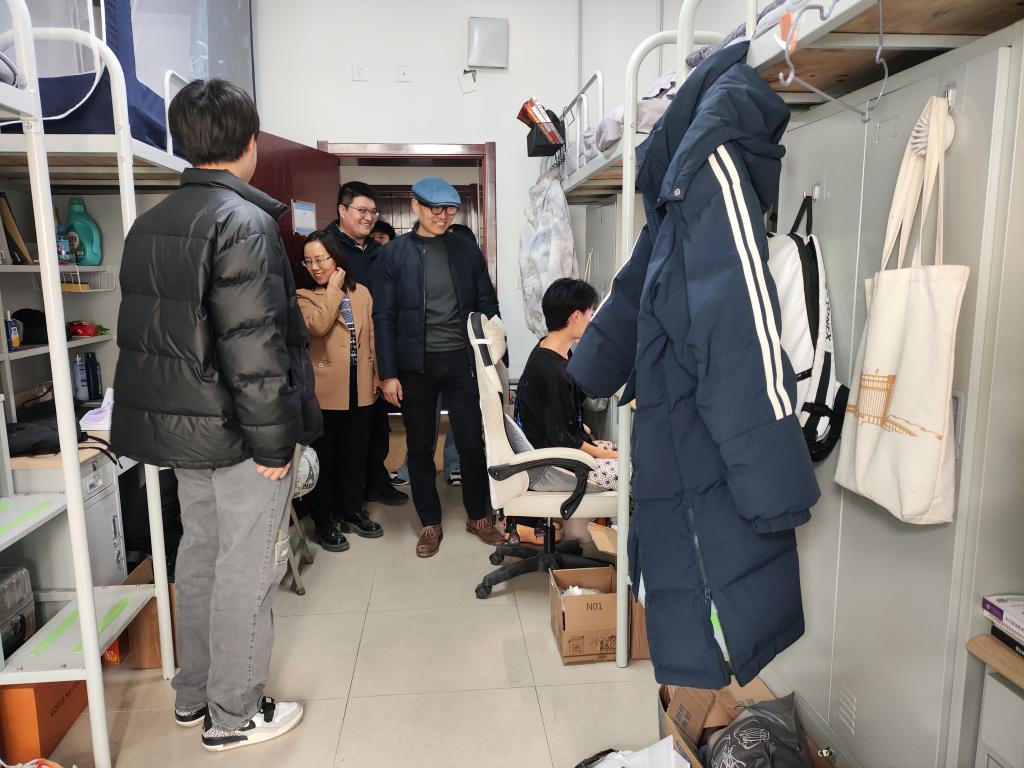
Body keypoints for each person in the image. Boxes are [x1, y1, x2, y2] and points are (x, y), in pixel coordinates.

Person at [111, 79, 320, 752]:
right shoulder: (244, 223)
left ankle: (193, 694)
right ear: (249, 143)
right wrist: (275, 444)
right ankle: (233, 715)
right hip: (237, 436)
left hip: (181, 431)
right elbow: (252, 348)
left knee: (198, 556)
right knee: (246, 570)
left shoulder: (150, 223)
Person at [374, 177, 505, 557]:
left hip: (463, 361)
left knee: (471, 442)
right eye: (435, 209)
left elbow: (487, 303)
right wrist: (388, 374)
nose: (443, 216)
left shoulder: (466, 250)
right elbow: (384, 317)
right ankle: (430, 523)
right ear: (415, 206)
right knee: (419, 446)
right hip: (415, 364)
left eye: (450, 210)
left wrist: (494, 356)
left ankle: (478, 516)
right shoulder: (394, 255)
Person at [297, 230, 384, 552]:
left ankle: (351, 511)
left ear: (336, 258)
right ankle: (324, 521)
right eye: (308, 261)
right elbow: (318, 326)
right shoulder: (303, 296)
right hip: (325, 390)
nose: (315, 267)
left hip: (360, 388)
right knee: (326, 458)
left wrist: (377, 375)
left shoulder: (362, 293)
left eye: (321, 259)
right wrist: (333, 289)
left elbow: (371, 337)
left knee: (356, 455)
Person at [327, 181, 408, 507]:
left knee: (377, 425)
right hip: (342, 353)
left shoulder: (380, 251)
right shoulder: (327, 247)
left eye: (374, 212)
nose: (369, 217)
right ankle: (346, 497)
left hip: (380, 348)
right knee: (345, 431)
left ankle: (376, 481)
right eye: (362, 210)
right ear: (342, 210)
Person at [515, 278, 620, 491]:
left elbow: (565, 409)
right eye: (591, 314)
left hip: (558, 448)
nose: (592, 321)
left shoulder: (552, 349)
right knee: (632, 470)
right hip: (552, 465)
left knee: (618, 450)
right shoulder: (551, 372)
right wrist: (609, 455)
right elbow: (565, 441)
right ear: (576, 316)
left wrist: (581, 428)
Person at [393, 227, 476, 488]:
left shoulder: (473, 276)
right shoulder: (419, 272)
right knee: (422, 423)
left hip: (461, 359)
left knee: (462, 423)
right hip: (422, 360)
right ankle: (412, 467)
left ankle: (455, 464)